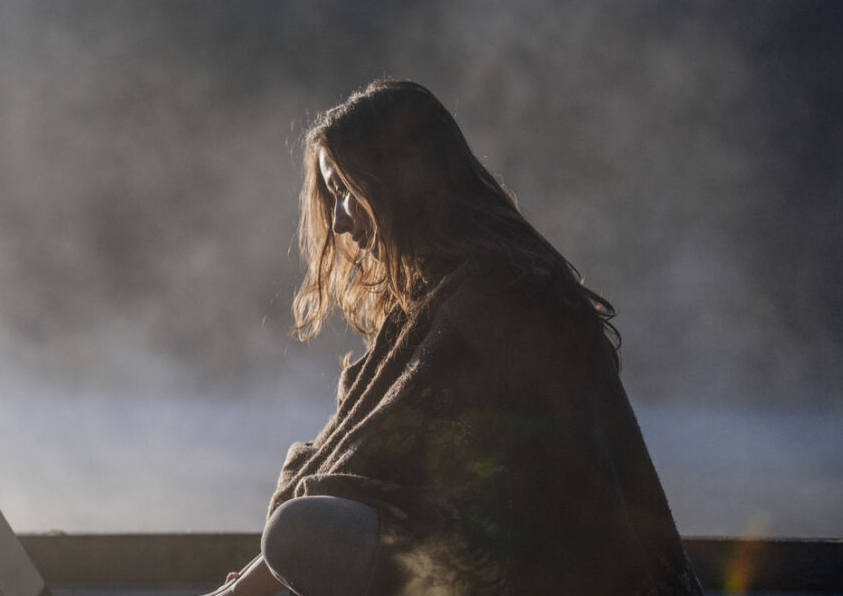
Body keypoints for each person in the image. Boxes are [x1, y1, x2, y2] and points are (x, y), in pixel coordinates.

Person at [209, 80, 703, 596]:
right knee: (302, 530)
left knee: (300, 531)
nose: (339, 222)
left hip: (542, 571)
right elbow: (359, 458)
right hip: (472, 554)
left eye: (347, 192)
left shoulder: (502, 295)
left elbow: (378, 463)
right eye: (332, 196)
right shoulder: (434, 296)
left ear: (400, 181)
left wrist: (245, 590)